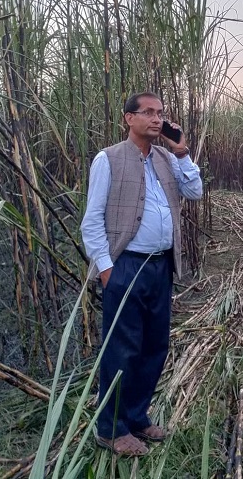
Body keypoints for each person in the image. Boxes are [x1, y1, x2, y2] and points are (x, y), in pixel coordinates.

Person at [81, 92, 203, 456]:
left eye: (160, 113)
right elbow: (92, 222)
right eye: (147, 112)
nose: (156, 119)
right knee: (122, 348)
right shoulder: (109, 159)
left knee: (154, 346)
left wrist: (181, 150)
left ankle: (136, 417)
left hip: (160, 266)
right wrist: (107, 270)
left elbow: (195, 192)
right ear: (128, 119)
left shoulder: (168, 159)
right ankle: (111, 428)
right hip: (126, 267)